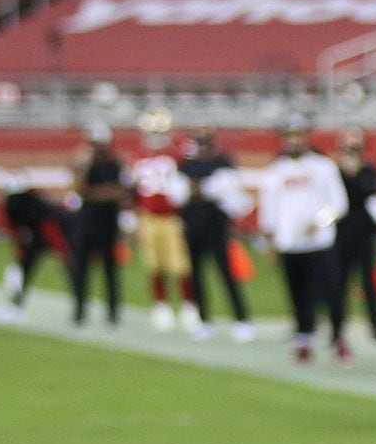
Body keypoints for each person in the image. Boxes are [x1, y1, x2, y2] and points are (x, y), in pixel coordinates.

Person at [255, 122, 347, 363]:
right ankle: (304, 339)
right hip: (289, 244)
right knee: (298, 294)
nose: (294, 141)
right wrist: (270, 242)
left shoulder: (323, 167)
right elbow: (269, 210)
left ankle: (338, 338)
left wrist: (320, 222)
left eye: (298, 136)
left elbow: (339, 204)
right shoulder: (276, 171)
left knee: (332, 293)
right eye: (289, 136)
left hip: (320, 242)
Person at [178, 132, 253, 342]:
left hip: (216, 228)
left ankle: (241, 319)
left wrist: (198, 190)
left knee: (227, 275)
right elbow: (177, 194)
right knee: (196, 277)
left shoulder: (222, 165)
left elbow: (222, 192)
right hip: (193, 228)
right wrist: (200, 191)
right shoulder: (185, 166)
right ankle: (204, 321)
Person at [130, 129, 192, 331]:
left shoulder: (177, 155)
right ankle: (161, 306)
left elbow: (185, 182)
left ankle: (188, 306)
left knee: (180, 265)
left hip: (172, 217)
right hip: (148, 218)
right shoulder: (139, 157)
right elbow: (133, 189)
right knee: (154, 264)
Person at [334, 133, 376, 349]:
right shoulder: (335, 171)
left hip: (364, 234)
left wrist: (353, 174)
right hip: (342, 233)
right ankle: (338, 326)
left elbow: (366, 193)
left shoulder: (369, 170)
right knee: (340, 282)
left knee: (369, 280)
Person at [70, 127, 127, 329]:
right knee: (81, 269)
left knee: (111, 269)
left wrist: (96, 194)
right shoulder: (84, 163)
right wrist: (103, 193)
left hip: (108, 222)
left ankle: (112, 313)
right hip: (86, 222)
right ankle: (79, 310)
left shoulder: (116, 163)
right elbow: (79, 189)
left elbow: (121, 192)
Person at [0, 172, 63, 324]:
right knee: (21, 271)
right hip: (39, 239)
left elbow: (49, 227)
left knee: (24, 271)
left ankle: (16, 306)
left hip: (46, 238)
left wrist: (61, 249)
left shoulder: (32, 208)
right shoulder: (32, 204)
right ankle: (15, 305)